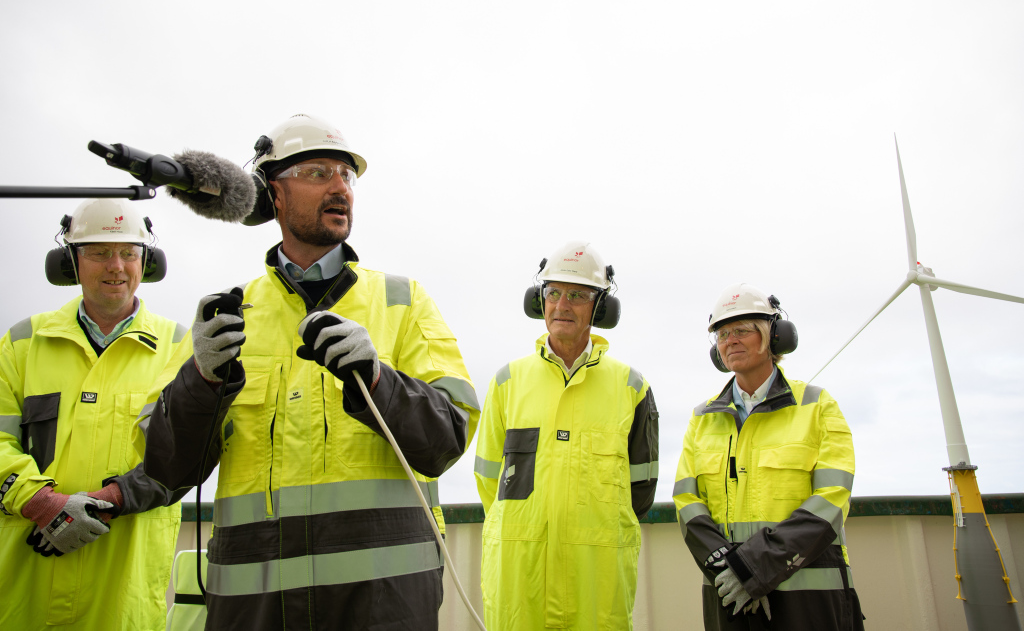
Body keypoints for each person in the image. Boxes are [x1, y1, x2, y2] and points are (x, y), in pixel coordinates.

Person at [139, 113, 481, 630]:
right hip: (254, 606)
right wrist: (202, 381)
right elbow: (166, 467)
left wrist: (377, 379)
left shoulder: (403, 301)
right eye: (319, 173)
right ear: (272, 194)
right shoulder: (230, 317)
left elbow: (447, 439)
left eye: (347, 175)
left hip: (381, 603)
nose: (340, 187)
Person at [0, 199, 188, 630]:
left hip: (123, 591)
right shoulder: (23, 343)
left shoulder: (181, 349)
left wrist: (108, 501)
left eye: (128, 252)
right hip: (25, 586)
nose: (115, 266)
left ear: (147, 261)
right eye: (98, 253)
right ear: (71, 261)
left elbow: (188, 455)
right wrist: (39, 503)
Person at [474, 241, 659, 631]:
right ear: (539, 301)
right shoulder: (508, 381)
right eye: (553, 293)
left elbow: (640, 490)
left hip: (596, 579)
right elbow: (489, 480)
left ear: (601, 308)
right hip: (519, 576)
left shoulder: (632, 387)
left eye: (577, 295)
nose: (562, 305)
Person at [673, 283, 865, 630]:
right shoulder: (702, 418)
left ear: (774, 338)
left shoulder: (817, 406)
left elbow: (832, 500)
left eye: (742, 331)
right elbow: (688, 502)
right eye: (723, 333)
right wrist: (732, 571)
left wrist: (755, 569)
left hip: (807, 598)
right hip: (729, 595)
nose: (730, 340)